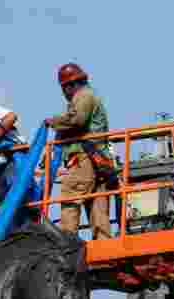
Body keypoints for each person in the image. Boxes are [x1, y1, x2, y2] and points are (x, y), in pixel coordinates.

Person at [44, 62, 113, 239]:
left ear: (69, 85)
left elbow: (77, 120)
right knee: (97, 203)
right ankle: (104, 246)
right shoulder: (88, 95)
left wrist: (52, 122)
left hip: (85, 157)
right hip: (98, 160)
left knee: (70, 196)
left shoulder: (83, 96)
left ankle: (67, 246)